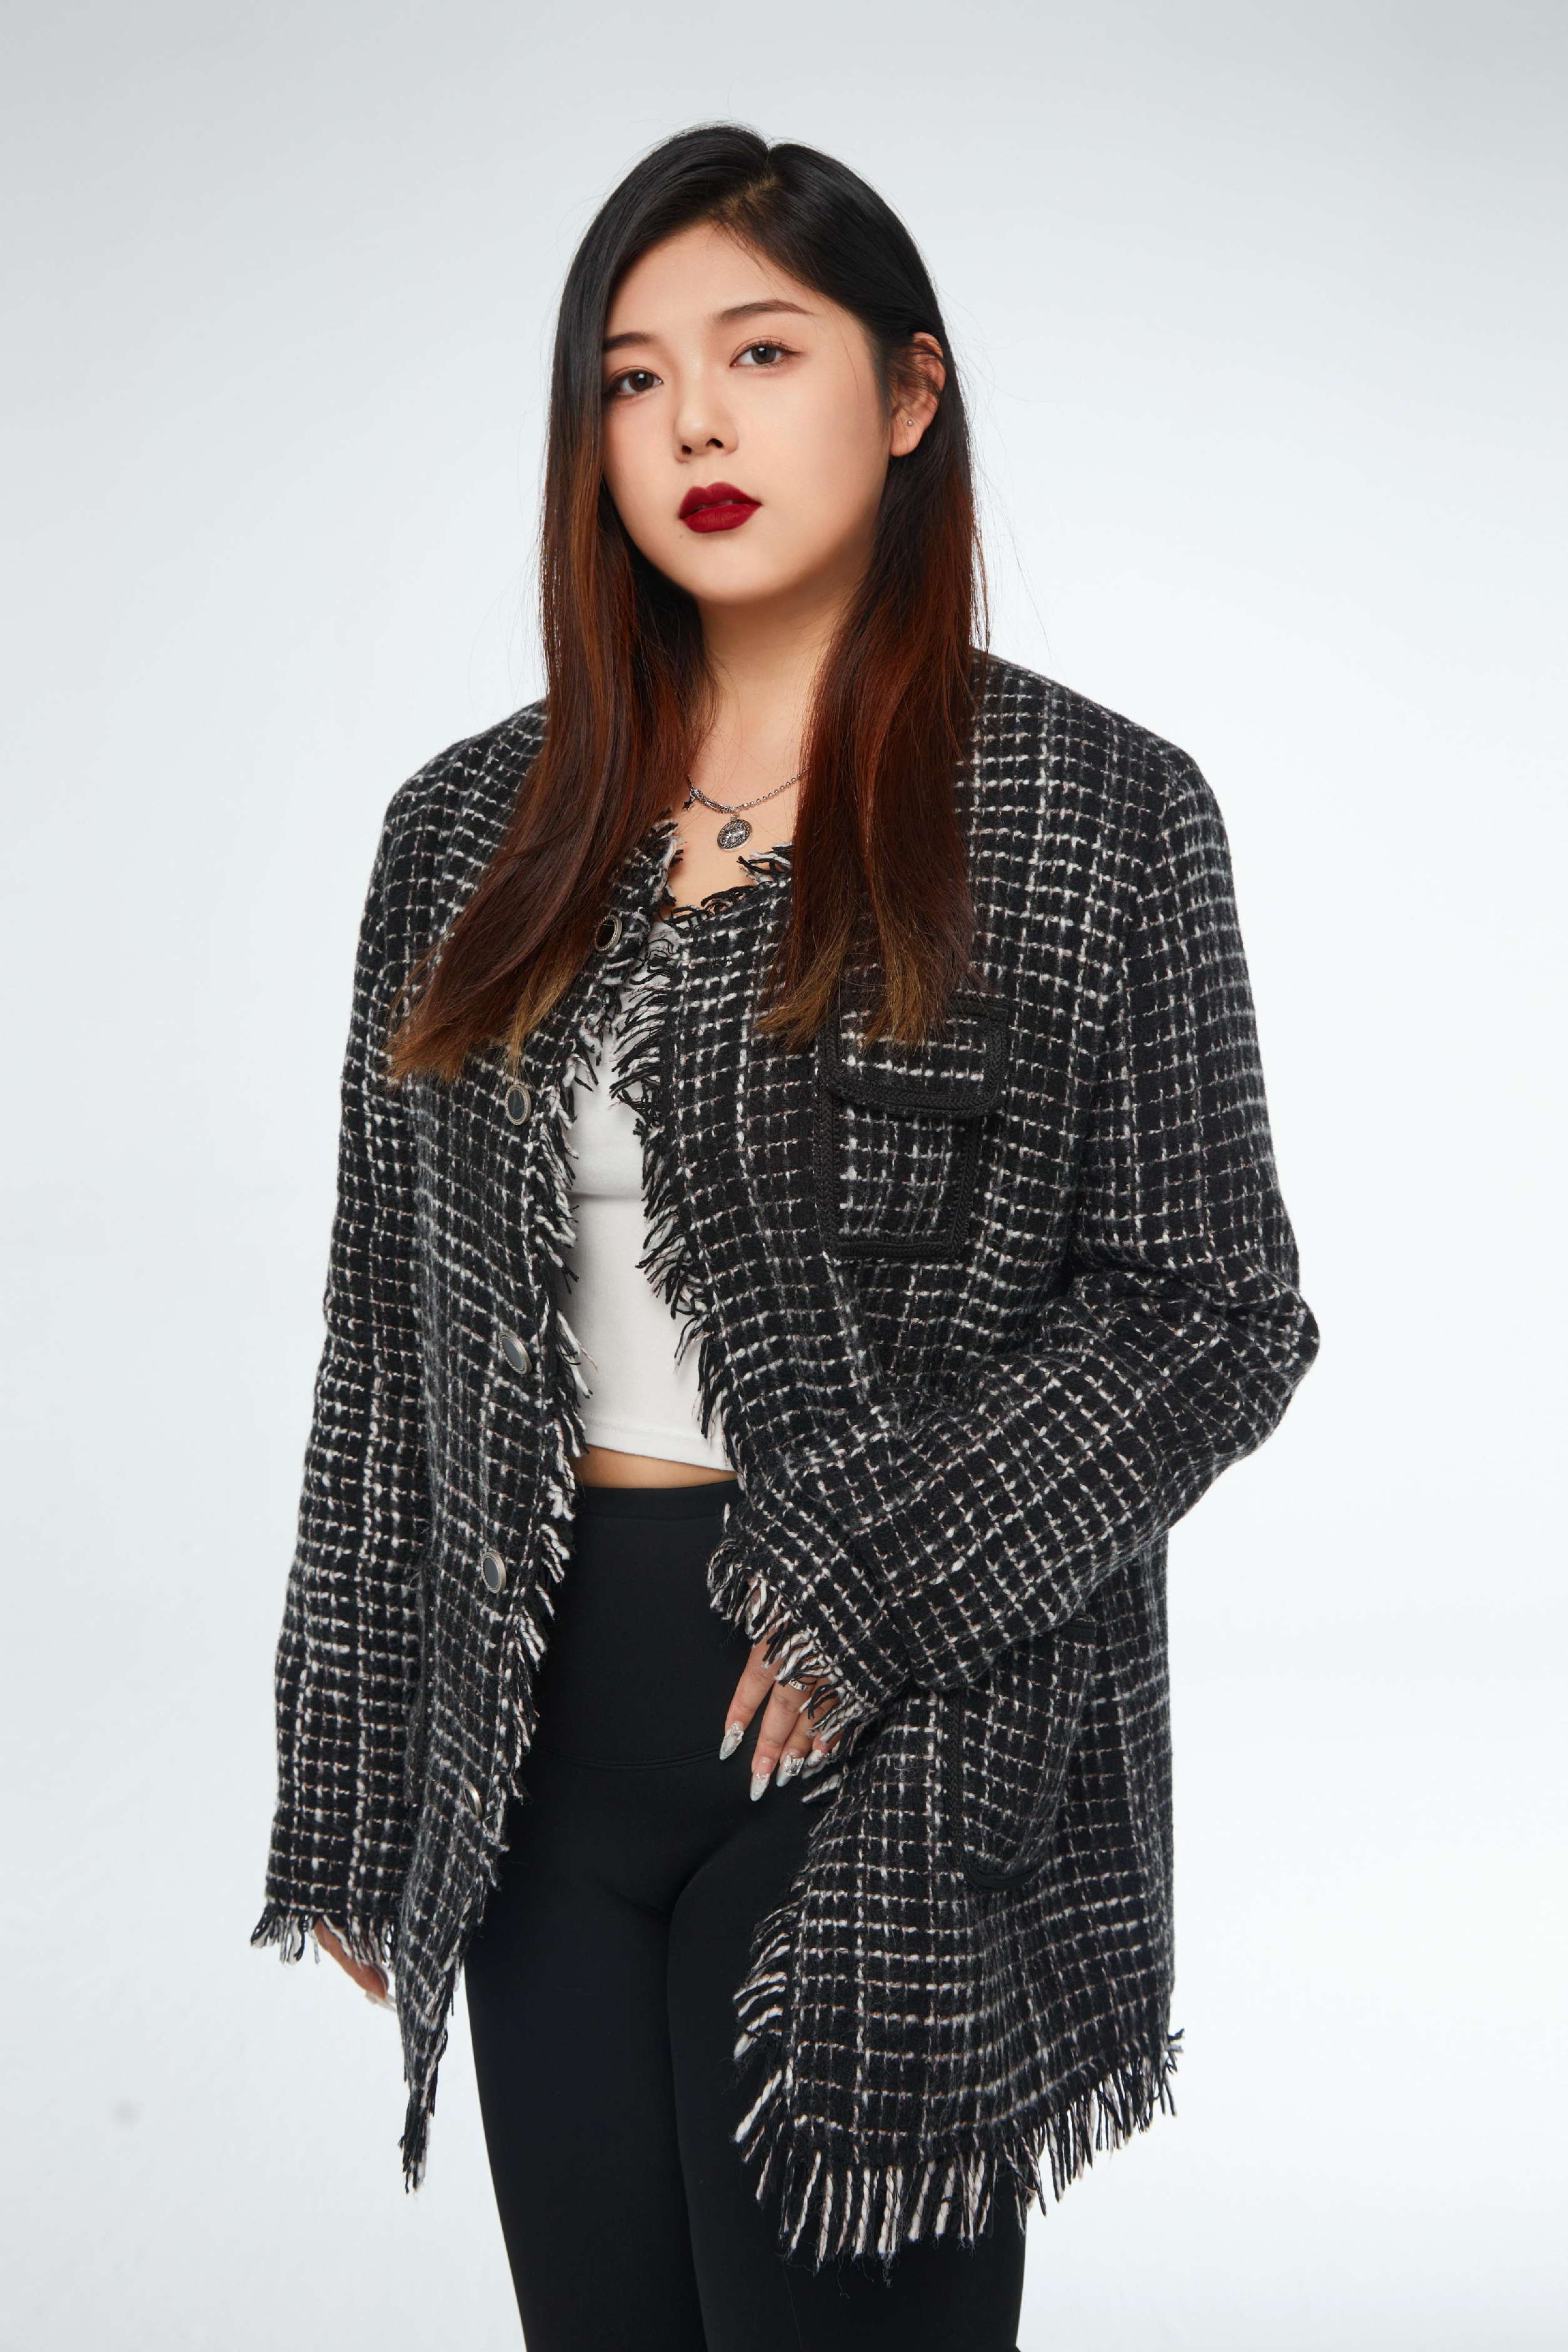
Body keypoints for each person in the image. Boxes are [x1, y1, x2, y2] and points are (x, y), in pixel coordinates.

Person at [253, 125, 1318, 2352]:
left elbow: (1211, 1309)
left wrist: (885, 1572)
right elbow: (389, 1332)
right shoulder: (467, 828)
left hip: (893, 1725)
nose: (694, 429)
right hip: (533, 1743)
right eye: (632, 380)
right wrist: (351, 1766)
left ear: (908, 393)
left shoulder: (1089, 810)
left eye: (760, 354)